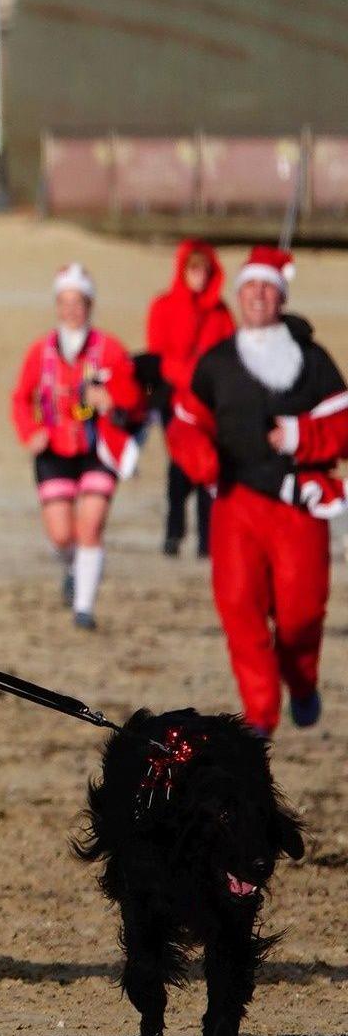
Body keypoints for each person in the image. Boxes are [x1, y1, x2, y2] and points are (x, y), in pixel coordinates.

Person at [169, 247, 347, 734]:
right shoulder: (219, 361)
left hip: (297, 503)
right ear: (239, 292)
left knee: (300, 615)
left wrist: (298, 436)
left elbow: (344, 424)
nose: (258, 295)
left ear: (282, 298)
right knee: (239, 606)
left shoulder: (312, 360)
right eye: (251, 286)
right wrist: (199, 457)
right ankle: (261, 714)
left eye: (268, 287)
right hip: (235, 501)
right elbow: (186, 422)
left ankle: (303, 682)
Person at [10, 263, 143, 630]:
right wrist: (30, 431)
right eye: (64, 302)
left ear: (90, 305)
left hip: (98, 449)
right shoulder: (41, 351)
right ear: (56, 305)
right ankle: (73, 567)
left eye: (78, 302)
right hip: (53, 449)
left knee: (91, 525)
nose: (71, 310)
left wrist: (111, 400)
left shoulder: (110, 349)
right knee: (61, 534)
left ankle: (84, 609)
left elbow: (135, 398)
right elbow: (21, 398)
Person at [145, 239, 233, 557]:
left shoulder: (221, 314)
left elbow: (229, 356)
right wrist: (187, 377)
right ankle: (173, 532)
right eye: (193, 269)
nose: (199, 276)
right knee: (179, 467)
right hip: (175, 399)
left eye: (204, 270)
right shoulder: (164, 306)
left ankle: (207, 541)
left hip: (209, 403)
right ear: (183, 271)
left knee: (209, 468)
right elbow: (159, 356)